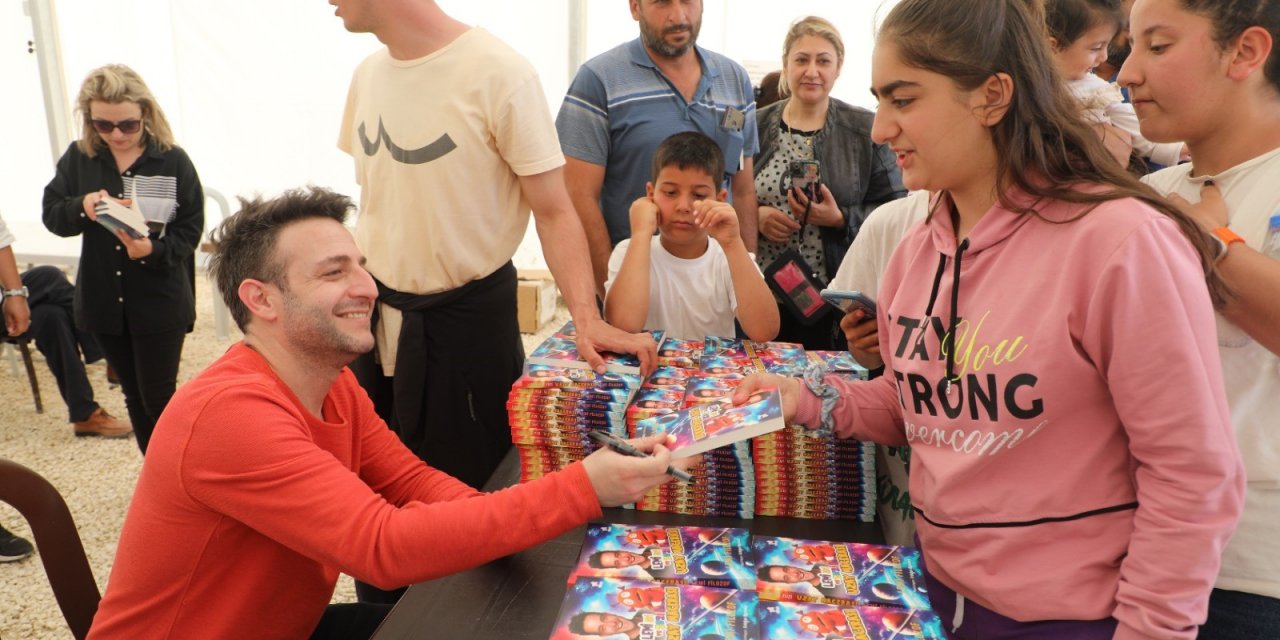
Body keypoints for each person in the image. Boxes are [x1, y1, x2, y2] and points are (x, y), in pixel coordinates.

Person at [734, 1, 1244, 637]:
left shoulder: (1120, 242)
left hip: (1076, 620)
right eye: (880, 100)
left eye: (904, 99)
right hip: (938, 600)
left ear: (992, 96)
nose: (880, 129)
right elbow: (917, 405)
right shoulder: (917, 248)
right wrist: (806, 400)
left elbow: (1192, 473)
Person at [85, 187, 694, 640]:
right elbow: (382, 546)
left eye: (360, 265)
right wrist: (582, 488)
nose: (367, 287)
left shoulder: (332, 382)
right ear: (260, 299)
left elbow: (412, 484)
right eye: (334, 272)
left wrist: (520, 518)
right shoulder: (230, 414)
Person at [334, 0, 656, 502]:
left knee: (471, 503)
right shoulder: (368, 75)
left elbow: (553, 209)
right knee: (374, 498)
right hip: (376, 328)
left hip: (467, 333)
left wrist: (586, 317)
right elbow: (380, 204)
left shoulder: (499, 72)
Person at [1119, 0, 1280, 635]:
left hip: (1250, 575)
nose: (1127, 72)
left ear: (1245, 52)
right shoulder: (1150, 195)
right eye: (1130, 47)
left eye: (1157, 47)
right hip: (1130, 543)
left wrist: (1214, 242)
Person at [42, 64, 203, 455]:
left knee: (160, 398)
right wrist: (83, 207)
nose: (116, 134)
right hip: (102, 302)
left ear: (145, 114)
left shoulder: (172, 161)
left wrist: (154, 250)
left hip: (159, 300)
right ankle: (157, 480)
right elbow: (52, 214)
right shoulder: (79, 159)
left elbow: (190, 229)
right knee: (133, 395)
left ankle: (179, 482)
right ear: (89, 120)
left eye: (127, 125)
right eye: (103, 125)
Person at [556, 0, 761, 294]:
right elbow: (579, 196)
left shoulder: (734, 80)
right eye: (661, 2)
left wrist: (746, 277)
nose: (678, 16)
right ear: (635, 7)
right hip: (636, 286)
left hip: (717, 292)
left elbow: (742, 189)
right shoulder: (599, 80)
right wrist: (608, 294)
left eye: (688, 1)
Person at [754, 17, 905, 351]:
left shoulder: (867, 130)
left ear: (838, 68)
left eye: (823, 61)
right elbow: (726, 194)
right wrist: (756, 216)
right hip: (761, 297)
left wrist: (839, 219)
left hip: (834, 299)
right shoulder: (756, 126)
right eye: (801, 59)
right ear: (785, 65)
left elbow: (899, 211)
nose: (812, 71)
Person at [605, 132, 777, 342]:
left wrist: (733, 244)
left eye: (698, 195)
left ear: (720, 199)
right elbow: (624, 325)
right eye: (670, 192)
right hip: (649, 373)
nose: (683, 206)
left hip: (713, 373)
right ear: (651, 194)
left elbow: (764, 331)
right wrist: (641, 234)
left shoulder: (728, 257)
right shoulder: (628, 251)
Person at [1045, 0, 1187, 168]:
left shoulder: (1095, 88)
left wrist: (1177, 150)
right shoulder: (1028, 87)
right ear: (1053, 47)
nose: (1103, 56)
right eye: (1095, 48)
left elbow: (1132, 124)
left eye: (1106, 46)